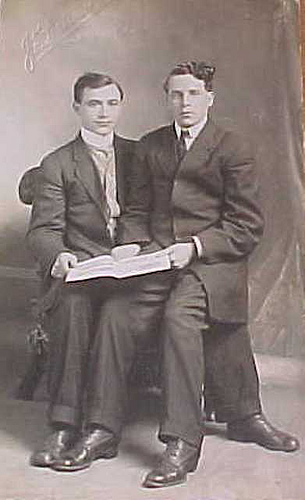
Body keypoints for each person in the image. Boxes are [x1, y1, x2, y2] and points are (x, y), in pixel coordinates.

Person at [50, 61, 299, 486]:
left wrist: (197, 247)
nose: (185, 103)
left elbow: (246, 225)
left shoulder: (232, 148)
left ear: (210, 99)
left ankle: (182, 442)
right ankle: (102, 429)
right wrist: (130, 243)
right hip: (157, 261)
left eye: (194, 94)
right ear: (167, 99)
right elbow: (139, 211)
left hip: (209, 266)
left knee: (178, 320)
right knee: (116, 313)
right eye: (177, 95)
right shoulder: (152, 146)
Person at [26, 72, 137, 467]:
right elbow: (43, 230)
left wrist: (139, 251)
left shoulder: (139, 156)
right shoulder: (57, 163)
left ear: (121, 107)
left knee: (117, 315)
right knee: (73, 306)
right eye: (93, 104)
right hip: (83, 271)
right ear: (77, 108)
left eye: (111, 103)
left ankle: (101, 431)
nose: (103, 113)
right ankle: (62, 425)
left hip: (133, 275)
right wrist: (58, 255)